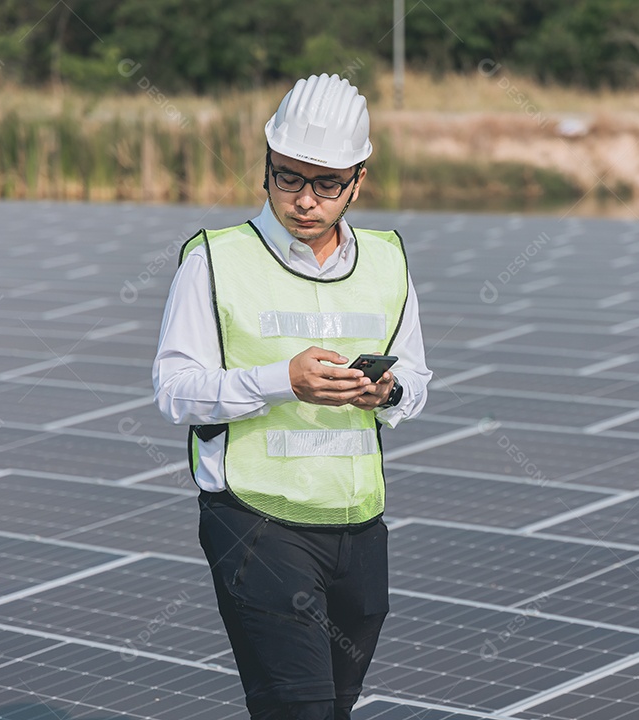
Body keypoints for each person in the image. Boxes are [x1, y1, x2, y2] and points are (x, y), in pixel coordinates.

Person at [152, 73, 431, 719]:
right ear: (267, 166)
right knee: (298, 710)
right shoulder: (216, 259)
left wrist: (387, 391)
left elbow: (416, 381)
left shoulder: (389, 261)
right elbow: (174, 393)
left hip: (358, 525)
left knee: (333, 708)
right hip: (255, 522)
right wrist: (283, 380)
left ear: (360, 178)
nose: (304, 200)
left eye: (326, 183)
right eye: (287, 177)